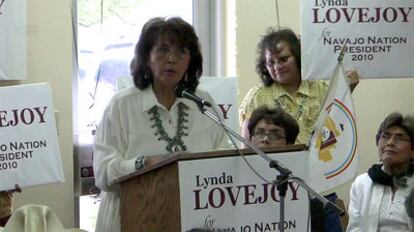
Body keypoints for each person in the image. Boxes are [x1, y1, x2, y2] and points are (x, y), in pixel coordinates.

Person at [92, 17, 230, 232]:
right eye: (163, 50)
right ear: (147, 57)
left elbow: (225, 153)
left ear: (190, 60)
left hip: (192, 219)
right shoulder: (122, 105)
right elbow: (102, 173)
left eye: (182, 51)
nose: (172, 59)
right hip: (131, 217)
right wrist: (143, 164)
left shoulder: (202, 102)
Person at [239, 28, 359, 145]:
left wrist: (347, 90)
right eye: (271, 62)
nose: (277, 67)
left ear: (298, 57)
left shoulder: (321, 89)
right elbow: (247, 146)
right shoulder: (256, 96)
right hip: (273, 163)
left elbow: (336, 126)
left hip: (319, 162)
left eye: (283, 59)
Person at [347, 112, 414, 231]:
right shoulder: (362, 184)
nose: (390, 143)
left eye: (399, 138)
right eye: (385, 136)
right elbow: (355, 229)